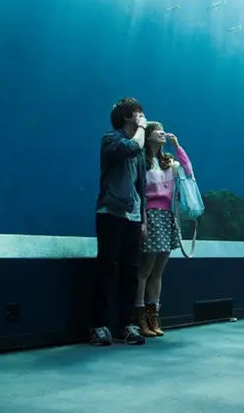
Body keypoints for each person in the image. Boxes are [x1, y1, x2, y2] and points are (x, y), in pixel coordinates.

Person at [90, 97, 148, 346]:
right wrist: (144, 129)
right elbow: (130, 148)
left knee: (130, 272)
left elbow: (140, 186)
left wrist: (143, 218)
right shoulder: (110, 140)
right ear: (127, 116)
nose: (142, 116)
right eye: (138, 113)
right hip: (110, 213)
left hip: (133, 217)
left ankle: (126, 324)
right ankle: (99, 325)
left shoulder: (140, 150)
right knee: (108, 268)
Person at [135, 121, 194, 338]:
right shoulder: (142, 161)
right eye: (156, 130)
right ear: (148, 136)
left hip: (166, 216)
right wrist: (142, 220)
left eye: (162, 129)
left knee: (159, 269)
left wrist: (177, 147)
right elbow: (139, 193)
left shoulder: (168, 162)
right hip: (149, 215)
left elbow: (188, 171)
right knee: (145, 268)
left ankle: (153, 316)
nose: (162, 132)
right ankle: (139, 315)